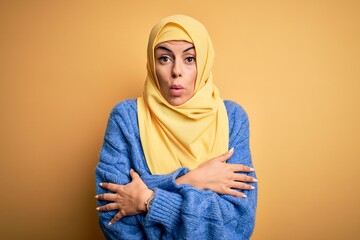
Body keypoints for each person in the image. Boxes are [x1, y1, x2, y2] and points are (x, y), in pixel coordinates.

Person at [95, 14, 257, 240]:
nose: (176, 71)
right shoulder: (126, 118)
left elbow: (237, 227)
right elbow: (114, 222)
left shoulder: (232, 118)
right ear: (152, 64)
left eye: (189, 59)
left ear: (204, 62)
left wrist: (148, 200)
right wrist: (194, 179)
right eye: (164, 58)